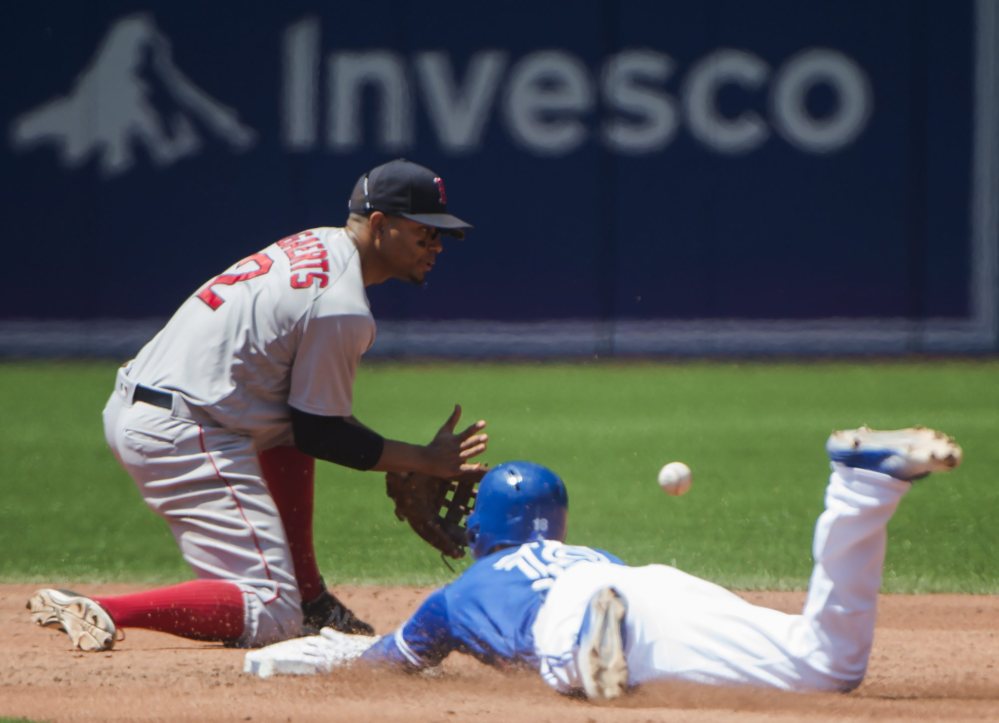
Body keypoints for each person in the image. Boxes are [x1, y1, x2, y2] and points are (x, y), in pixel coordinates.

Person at [27, 158, 489, 652]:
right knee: (270, 612)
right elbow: (322, 433)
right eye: (425, 233)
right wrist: (422, 459)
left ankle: (311, 599)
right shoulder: (341, 306)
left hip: (154, 406)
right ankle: (105, 610)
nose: (437, 246)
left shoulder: (320, 244)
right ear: (380, 226)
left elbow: (303, 425)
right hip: (185, 433)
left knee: (287, 425)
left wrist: (402, 459)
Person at [242, 426, 963, 700]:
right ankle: (861, 483)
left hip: (578, 621)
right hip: (648, 583)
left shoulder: (459, 594)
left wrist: (324, 658)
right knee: (825, 663)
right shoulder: (585, 550)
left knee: (570, 660)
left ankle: (590, 651)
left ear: (483, 528)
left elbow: (387, 663)